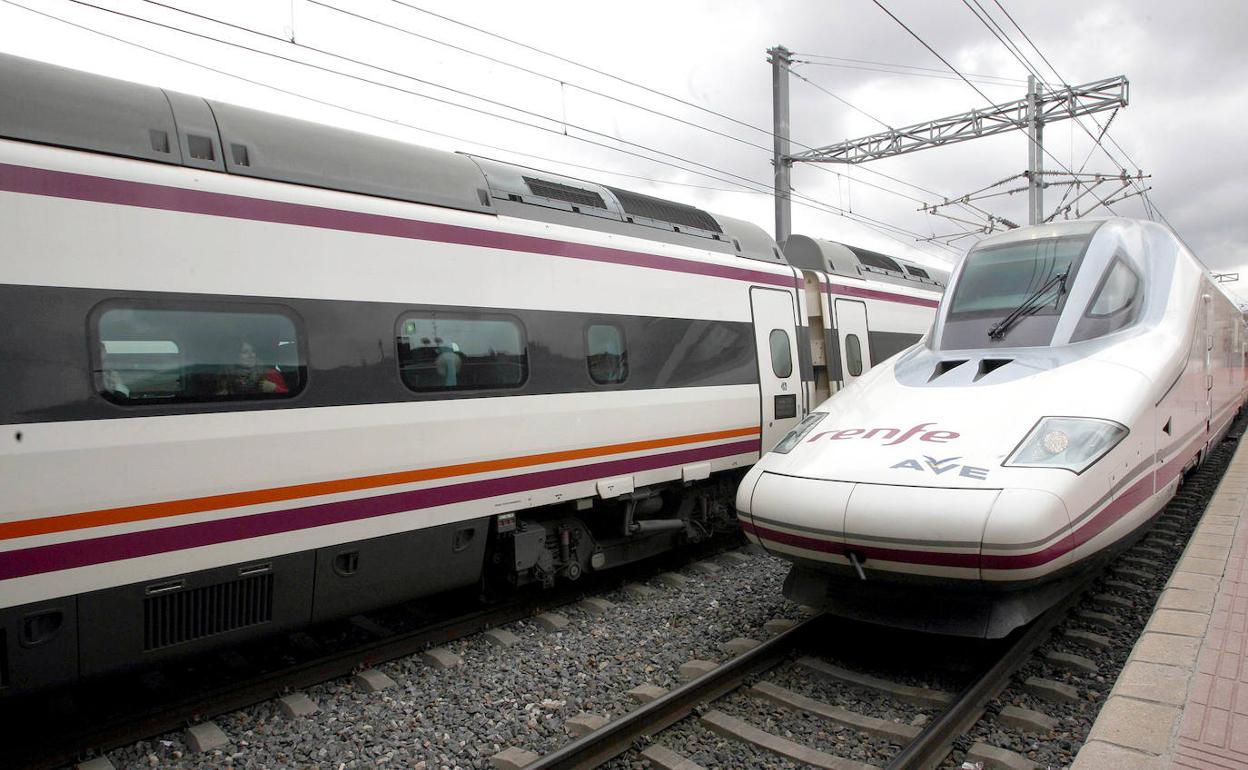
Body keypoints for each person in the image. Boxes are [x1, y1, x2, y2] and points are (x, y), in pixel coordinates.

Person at [218, 336, 288, 395]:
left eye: (253, 351)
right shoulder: (225, 377)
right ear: (234, 356)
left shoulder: (271, 374)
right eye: (245, 352)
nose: (251, 355)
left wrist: (274, 389)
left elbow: (289, 401)